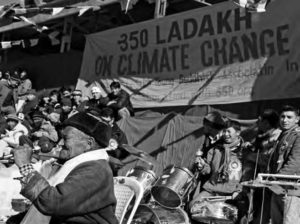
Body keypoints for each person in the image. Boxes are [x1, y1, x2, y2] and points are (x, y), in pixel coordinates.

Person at [12, 112, 119, 224]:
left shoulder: (96, 170)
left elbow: (52, 202)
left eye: (66, 138)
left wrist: (25, 166)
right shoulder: (80, 164)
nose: (60, 143)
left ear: (89, 143)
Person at [190, 120, 248, 223]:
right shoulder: (215, 150)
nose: (226, 134)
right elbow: (208, 170)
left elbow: (247, 176)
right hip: (212, 190)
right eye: (224, 131)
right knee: (193, 207)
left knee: (238, 216)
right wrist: (202, 166)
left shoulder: (245, 151)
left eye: (229, 131)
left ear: (238, 132)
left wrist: (238, 191)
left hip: (233, 193)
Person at [243, 109, 281, 224]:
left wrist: (251, 156)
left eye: (260, 121)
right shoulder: (261, 135)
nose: (257, 123)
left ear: (267, 123)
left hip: (270, 181)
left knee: (265, 210)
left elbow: (268, 159)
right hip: (259, 181)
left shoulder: (277, 136)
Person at [269, 105, 300, 224]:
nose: (285, 120)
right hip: (278, 188)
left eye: (289, 117)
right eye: (282, 117)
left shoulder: (298, 135)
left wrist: (274, 179)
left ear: (297, 119)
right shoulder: (283, 135)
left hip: (292, 189)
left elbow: (295, 163)